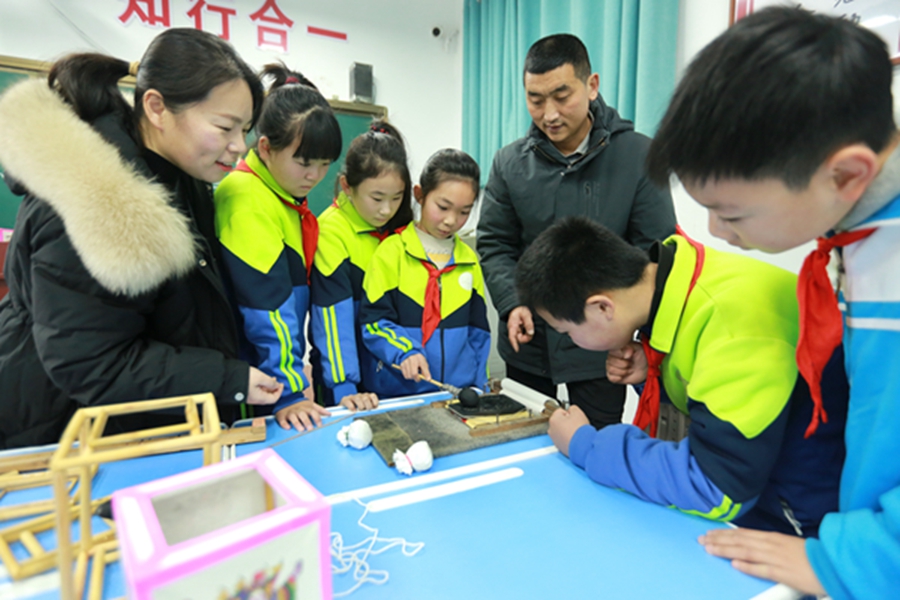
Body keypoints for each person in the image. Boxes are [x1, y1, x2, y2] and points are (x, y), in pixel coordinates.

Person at [644, 7, 899, 598]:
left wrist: (858, 562)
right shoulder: (857, 237)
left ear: (845, 175)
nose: (715, 232)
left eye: (732, 213)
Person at [0, 29, 283, 449]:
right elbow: (92, 361)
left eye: (243, 128)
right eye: (225, 127)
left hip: (137, 422)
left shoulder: (177, 169)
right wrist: (225, 377)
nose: (238, 146)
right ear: (156, 108)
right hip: (59, 431)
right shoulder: (96, 200)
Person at [517, 216, 847, 538]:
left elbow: (715, 487)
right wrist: (655, 375)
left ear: (602, 308)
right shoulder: (684, 278)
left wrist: (587, 446)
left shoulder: (732, 325)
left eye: (567, 331)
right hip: (772, 482)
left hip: (798, 511)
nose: (572, 342)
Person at [477, 33, 676, 429]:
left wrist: (632, 334)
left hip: (603, 348)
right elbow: (495, 244)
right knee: (526, 444)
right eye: (535, 99)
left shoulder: (638, 156)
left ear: (592, 85)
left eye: (561, 95)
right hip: (529, 341)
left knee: (596, 447)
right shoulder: (509, 163)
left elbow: (656, 253)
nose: (549, 113)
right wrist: (512, 302)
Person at [214, 63, 359, 433]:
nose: (314, 176)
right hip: (252, 381)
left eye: (325, 164)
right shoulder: (246, 197)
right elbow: (267, 309)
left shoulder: (284, 196)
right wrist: (291, 392)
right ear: (265, 147)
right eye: (304, 162)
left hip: (267, 375)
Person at [360, 149, 489, 397]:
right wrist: (405, 351)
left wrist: (479, 386)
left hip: (455, 394)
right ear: (419, 195)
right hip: (400, 392)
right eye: (443, 207)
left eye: (464, 212)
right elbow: (374, 323)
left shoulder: (468, 261)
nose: (451, 220)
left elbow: (479, 332)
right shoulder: (392, 253)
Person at [310, 120, 412, 408]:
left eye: (396, 198)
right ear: (347, 185)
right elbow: (332, 320)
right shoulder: (332, 231)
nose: (386, 209)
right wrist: (345, 387)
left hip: (391, 371)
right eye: (376, 198)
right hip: (346, 378)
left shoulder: (399, 230)